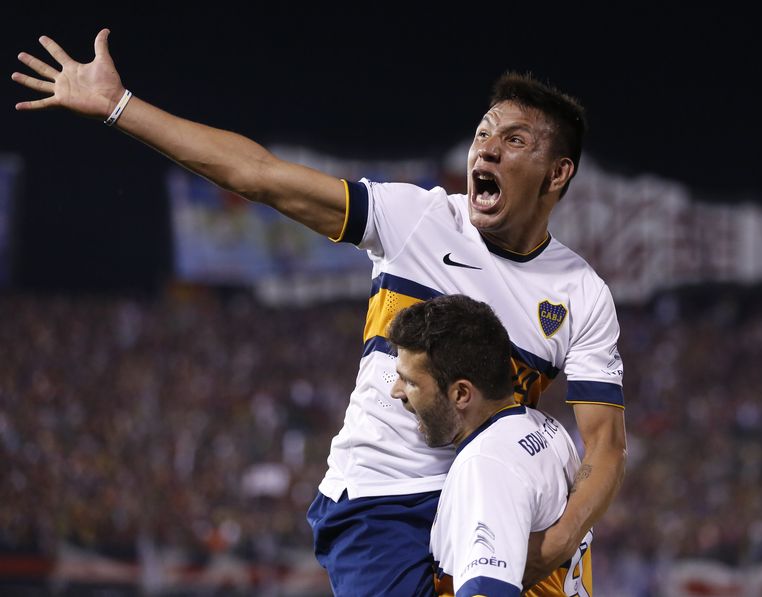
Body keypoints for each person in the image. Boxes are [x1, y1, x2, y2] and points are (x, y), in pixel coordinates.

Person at [12, 30, 626, 595]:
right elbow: (259, 176)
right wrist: (121, 105)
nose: (487, 149)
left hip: (481, 492)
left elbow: (604, 442)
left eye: (513, 140)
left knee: (538, 438)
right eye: (484, 133)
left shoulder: (580, 293)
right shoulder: (417, 220)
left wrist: (566, 536)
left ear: (557, 173)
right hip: (383, 502)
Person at [388, 294, 592, 596]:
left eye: (411, 382)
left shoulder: (487, 465)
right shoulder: (547, 429)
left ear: (461, 394)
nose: (396, 392)